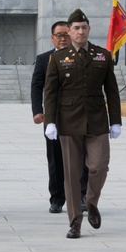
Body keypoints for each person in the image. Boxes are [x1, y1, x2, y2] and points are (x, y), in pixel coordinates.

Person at [43, 9, 122, 239]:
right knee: (71, 173)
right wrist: (50, 122)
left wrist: (115, 121)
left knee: (99, 166)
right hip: (68, 122)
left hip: (97, 121)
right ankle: (75, 221)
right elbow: (50, 93)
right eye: (76, 28)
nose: (80, 31)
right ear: (68, 31)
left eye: (84, 27)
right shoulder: (58, 58)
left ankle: (91, 201)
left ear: (89, 30)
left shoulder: (102, 55)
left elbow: (112, 91)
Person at [31, 21, 86, 214]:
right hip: (54, 117)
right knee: (55, 159)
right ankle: (57, 198)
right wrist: (38, 111)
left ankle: (81, 197)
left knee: (81, 158)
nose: (63, 38)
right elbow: (37, 86)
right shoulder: (44, 59)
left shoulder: (82, 57)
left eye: (66, 34)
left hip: (79, 116)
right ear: (52, 38)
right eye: (59, 35)